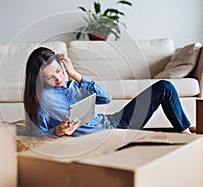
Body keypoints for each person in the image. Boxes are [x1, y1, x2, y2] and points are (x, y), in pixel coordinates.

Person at [23, 47, 191, 137]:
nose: (59, 79)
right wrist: (58, 131)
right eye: (50, 77)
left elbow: (106, 98)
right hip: (106, 134)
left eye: (59, 71)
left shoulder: (74, 84)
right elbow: (38, 134)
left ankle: (187, 135)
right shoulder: (43, 99)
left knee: (164, 87)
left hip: (113, 121)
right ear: (39, 80)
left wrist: (74, 74)